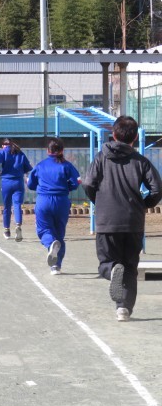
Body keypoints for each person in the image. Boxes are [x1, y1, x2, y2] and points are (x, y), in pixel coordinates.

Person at [82, 116, 162, 322]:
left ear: (113, 134)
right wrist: (144, 204)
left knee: (106, 262)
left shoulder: (101, 158)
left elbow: (88, 183)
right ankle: (123, 308)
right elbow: (157, 188)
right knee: (130, 267)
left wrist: (98, 201)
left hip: (107, 220)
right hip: (133, 222)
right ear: (135, 137)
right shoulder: (141, 161)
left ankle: (110, 272)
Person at [27, 138, 80, 275]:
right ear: (62, 150)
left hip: (44, 200)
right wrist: (66, 187)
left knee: (44, 229)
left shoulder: (40, 165)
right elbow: (76, 182)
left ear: (47, 151)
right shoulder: (67, 165)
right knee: (59, 233)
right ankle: (56, 266)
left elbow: (30, 184)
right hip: (61, 201)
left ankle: (50, 243)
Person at [0, 138, 33, 241]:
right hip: (18, 182)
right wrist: (20, 171)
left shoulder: (2, 152)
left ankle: (7, 231)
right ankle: (18, 225)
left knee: (7, 207)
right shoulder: (19, 152)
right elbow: (28, 167)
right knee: (17, 205)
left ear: (3, 145)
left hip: (6, 182)